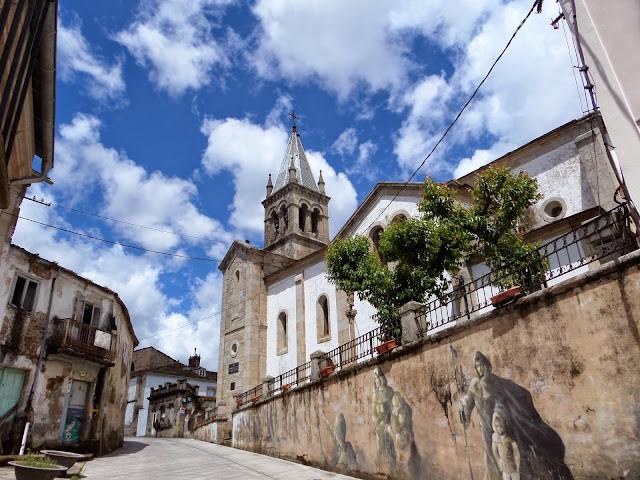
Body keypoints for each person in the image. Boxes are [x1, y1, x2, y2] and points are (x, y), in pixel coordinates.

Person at [459, 351, 573, 480]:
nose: (480, 369)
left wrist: (500, 416)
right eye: (477, 366)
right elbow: (468, 399)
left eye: (481, 365)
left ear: (487, 365)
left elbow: (507, 396)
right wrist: (463, 405)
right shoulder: (474, 384)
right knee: (491, 456)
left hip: (500, 424)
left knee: (509, 456)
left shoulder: (496, 382)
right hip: (485, 429)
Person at [492, 405, 520, 480]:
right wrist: (500, 461)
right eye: (497, 426)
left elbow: (516, 452)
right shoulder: (495, 438)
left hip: (513, 467)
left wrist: (517, 465)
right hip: (505, 468)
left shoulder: (510, 436)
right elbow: (495, 451)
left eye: (500, 425)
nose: (499, 428)